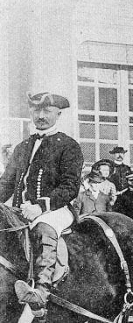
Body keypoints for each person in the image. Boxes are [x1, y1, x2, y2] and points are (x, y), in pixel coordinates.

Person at [0, 92, 83, 310]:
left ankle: (41, 290)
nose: (41, 116)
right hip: (20, 210)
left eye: (47, 111)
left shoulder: (68, 145)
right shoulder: (23, 146)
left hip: (54, 210)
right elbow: (6, 184)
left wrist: (40, 207)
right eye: (36, 110)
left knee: (43, 228)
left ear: (58, 113)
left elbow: (70, 187)